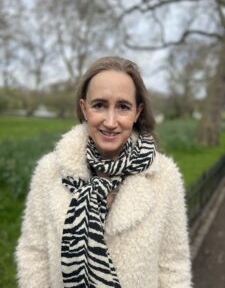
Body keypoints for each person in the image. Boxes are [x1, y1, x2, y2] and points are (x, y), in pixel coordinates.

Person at [16, 56, 192, 288]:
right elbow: (34, 254)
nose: (110, 121)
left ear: (137, 112)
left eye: (123, 107)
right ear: (84, 108)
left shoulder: (165, 176)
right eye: (99, 105)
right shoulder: (49, 172)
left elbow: (173, 265)